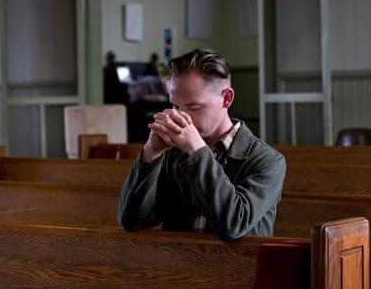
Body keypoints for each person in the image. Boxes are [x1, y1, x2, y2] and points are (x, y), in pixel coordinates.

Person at [117, 48, 286, 239]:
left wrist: (197, 150)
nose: (181, 116)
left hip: (238, 268)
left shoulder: (267, 161)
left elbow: (233, 224)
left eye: (193, 107)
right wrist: (151, 153)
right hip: (179, 265)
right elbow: (131, 220)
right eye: (175, 106)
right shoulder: (174, 154)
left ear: (226, 98)